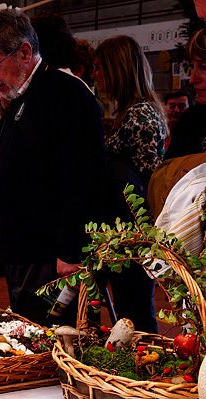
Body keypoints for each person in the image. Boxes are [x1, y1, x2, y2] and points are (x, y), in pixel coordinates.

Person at [0, 9, 105, 324]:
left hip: (53, 259)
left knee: (62, 350)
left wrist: (71, 251)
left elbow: (84, 178)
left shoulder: (66, 93)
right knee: (31, 344)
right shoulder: (18, 97)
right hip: (22, 254)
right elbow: (33, 165)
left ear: (25, 52)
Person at [94, 35, 167, 333]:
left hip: (136, 235)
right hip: (129, 234)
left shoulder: (140, 116)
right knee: (130, 311)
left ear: (117, 69)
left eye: (100, 68)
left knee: (136, 314)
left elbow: (149, 184)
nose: (95, 75)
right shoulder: (133, 112)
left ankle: (146, 371)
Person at [166, 28, 206, 159]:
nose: (192, 79)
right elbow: (169, 175)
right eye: (193, 66)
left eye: (203, 67)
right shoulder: (191, 121)